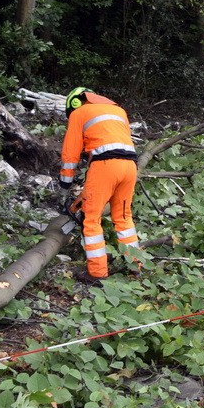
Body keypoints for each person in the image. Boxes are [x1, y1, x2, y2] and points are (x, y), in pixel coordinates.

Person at [59, 87, 141, 283]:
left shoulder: (79, 113)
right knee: (123, 217)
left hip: (105, 166)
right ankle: (135, 266)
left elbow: (70, 156)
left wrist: (65, 186)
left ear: (75, 103)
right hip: (130, 167)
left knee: (91, 218)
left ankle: (97, 273)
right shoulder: (119, 111)